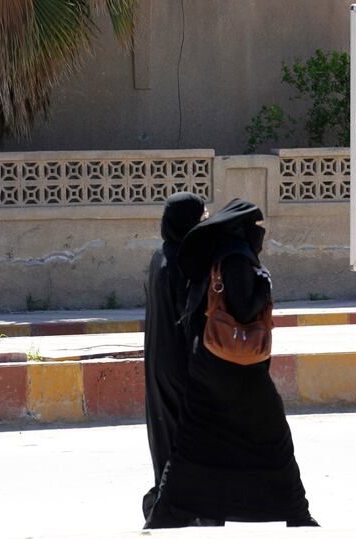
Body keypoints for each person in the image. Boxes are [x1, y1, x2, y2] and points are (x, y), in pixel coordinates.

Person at [144, 198, 318, 529]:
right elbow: (217, 312)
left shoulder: (169, 258)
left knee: (183, 445)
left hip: (169, 365)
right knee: (257, 442)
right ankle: (293, 514)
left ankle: (168, 511)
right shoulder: (218, 260)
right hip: (195, 367)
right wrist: (263, 286)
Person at [142, 192, 206, 518]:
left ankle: (166, 501)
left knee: (166, 434)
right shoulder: (183, 262)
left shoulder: (159, 257)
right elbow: (190, 318)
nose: (205, 223)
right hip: (180, 363)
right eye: (202, 218)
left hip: (156, 360)